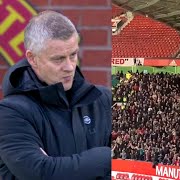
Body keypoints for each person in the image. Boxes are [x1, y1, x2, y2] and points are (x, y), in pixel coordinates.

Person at [0, 11, 112, 180]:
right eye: (58, 59)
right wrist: (106, 157)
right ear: (32, 58)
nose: (69, 67)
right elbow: (42, 173)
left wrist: (60, 166)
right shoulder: (9, 113)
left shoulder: (102, 99)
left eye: (73, 55)